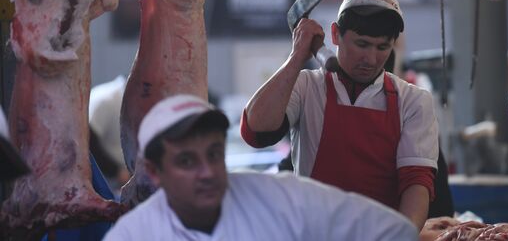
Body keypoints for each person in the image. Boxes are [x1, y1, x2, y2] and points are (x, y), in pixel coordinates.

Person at [241, 0, 439, 231]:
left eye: (382, 47)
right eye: (362, 44)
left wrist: (401, 236)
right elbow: (255, 131)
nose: (371, 59)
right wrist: (296, 57)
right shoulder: (306, 87)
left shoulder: (413, 101)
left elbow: (416, 184)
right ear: (335, 34)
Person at [103, 94, 419, 240]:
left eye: (214, 154)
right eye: (187, 161)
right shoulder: (134, 235)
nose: (208, 172)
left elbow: (395, 231)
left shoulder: (283, 199)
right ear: (155, 173)